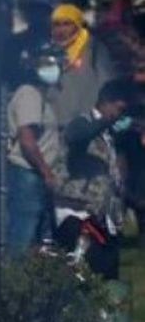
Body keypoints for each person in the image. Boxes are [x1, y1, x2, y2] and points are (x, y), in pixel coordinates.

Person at [54, 79, 134, 280]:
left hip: (104, 217)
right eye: (118, 109)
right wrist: (106, 122)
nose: (118, 116)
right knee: (82, 275)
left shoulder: (110, 137)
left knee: (106, 277)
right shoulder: (83, 123)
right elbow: (76, 137)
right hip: (78, 213)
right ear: (106, 102)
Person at [5, 51, 64, 255]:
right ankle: (14, 281)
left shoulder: (42, 96)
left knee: (39, 235)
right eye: (47, 63)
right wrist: (46, 171)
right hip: (27, 172)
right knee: (24, 232)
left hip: (34, 174)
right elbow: (27, 140)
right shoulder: (29, 94)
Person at [49, 3, 117, 126]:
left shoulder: (93, 48)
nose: (61, 30)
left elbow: (107, 82)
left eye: (67, 24)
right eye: (56, 25)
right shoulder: (49, 52)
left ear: (77, 24)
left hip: (91, 122)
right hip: (60, 125)